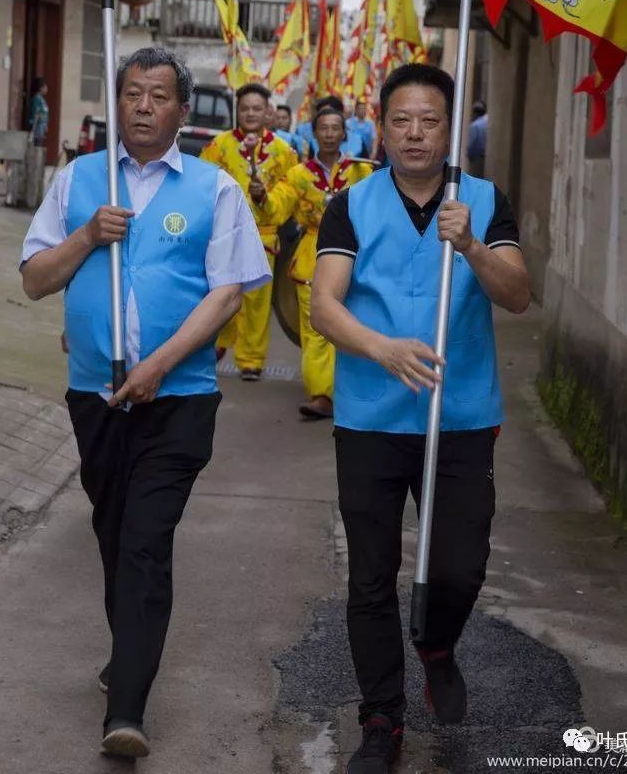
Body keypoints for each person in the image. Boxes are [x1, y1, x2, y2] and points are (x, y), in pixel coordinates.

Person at [19, 47, 270, 759]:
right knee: (112, 529)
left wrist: (162, 362)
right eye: (133, 93)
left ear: (182, 112)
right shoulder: (79, 182)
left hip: (178, 399)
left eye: (159, 96)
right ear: (117, 102)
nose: (143, 107)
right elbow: (37, 280)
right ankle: (128, 648)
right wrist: (88, 236)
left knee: (144, 540)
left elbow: (228, 292)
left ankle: (126, 708)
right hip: (95, 396)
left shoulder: (215, 190)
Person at [311, 63, 529, 774]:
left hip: (462, 416)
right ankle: (382, 722)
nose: (414, 133)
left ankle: (436, 644)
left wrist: (468, 244)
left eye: (429, 120)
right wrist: (382, 349)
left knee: (461, 566)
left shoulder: (485, 202)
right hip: (372, 419)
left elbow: (519, 294)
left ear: (449, 127)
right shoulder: (351, 204)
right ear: (382, 124)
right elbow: (324, 305)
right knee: (370, 578)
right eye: (401, 119)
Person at [251, 106, 373, 420]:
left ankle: (347, 389)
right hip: (311, 257)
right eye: (324, 128)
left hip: (355, 259)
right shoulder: (299, 175)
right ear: (314, 133)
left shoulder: (362, 172)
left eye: (336, 128)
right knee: (318, 328)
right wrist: (263, 197)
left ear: (344, 133)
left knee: (353, 326)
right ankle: (321, 394)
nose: (330, 133)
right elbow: (278, 206)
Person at [200, 82, 297, 381]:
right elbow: (203, 185)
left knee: (256, 300)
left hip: (263, 234)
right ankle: (218, 341)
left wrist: (264, 198)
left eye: (257, 108)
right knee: (220, 290)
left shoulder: (283, 152)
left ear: (268, 112)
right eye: (245, 108)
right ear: (236, 111)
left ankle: (252, 358)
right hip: (224, 234)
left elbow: (291, 191)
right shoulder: (219, 147)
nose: (251, 113)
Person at [467, 99, 488, 179]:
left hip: (477, 157)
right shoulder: (487, 122)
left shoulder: (474, 125)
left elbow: (471, 144)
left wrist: (469, 155)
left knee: (475, 178)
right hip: (485, 156)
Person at [28, 76, 49, 145]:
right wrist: (33, 130)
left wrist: (45, 126)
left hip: (42, 128)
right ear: (40, 88)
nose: (46, 88)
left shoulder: (42, 100)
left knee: (39, 146)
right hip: (37, 128)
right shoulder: (36, 99)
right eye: (45, 86)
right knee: (36, 147)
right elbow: (36, 114)